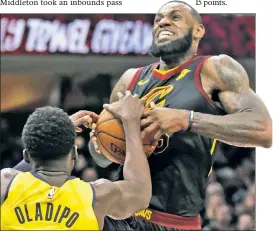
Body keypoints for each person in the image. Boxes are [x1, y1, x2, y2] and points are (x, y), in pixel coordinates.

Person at [88, 1, 272, 230]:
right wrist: (97, 142)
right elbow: (103, 159)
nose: (163, 21)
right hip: (121, 217)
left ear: (198, 30)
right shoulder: (130, 79)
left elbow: (264, 130)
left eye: (175, 17)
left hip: (174, 221)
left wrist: (187, 119)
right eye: (158, 19)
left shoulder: (215, 69)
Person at [1, 92, 152, 230]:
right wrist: (131, 123)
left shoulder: (5, 184)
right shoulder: (98, 196)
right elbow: (140, 191)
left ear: (26, 156)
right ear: (74, 153)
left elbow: (14, 176)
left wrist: (56, 131)